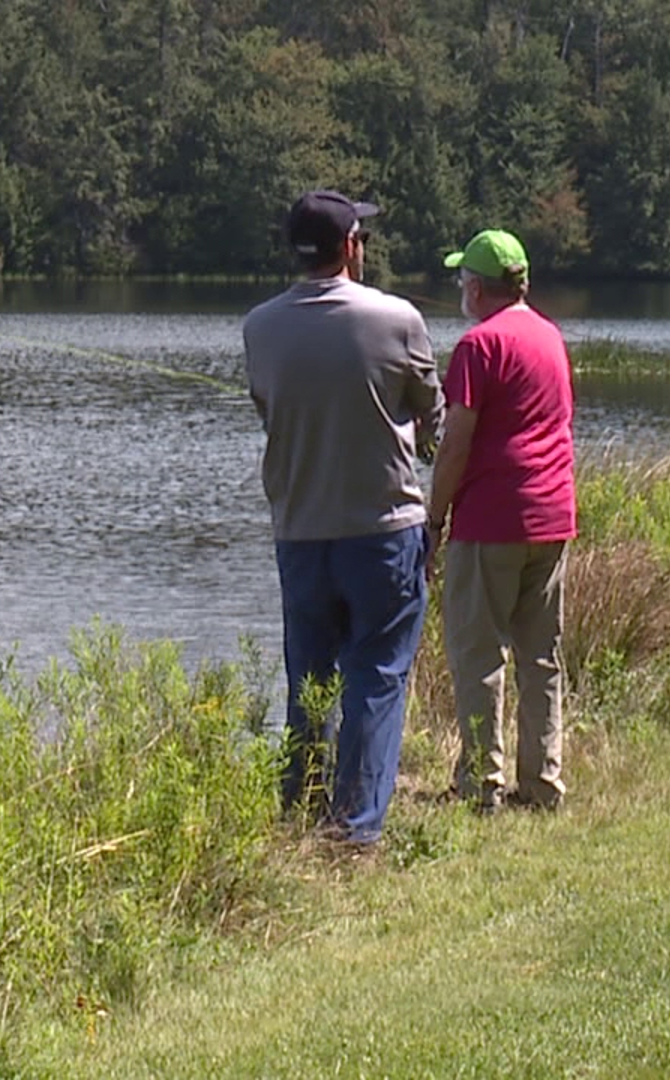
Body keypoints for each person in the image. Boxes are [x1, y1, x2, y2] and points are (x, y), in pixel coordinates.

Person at [241, 190, 443, 847]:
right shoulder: (399, 319)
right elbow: (436, 424)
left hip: (299, 534)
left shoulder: (259, 326)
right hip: (383, 533)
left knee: (310, 681)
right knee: (377, 678)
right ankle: (354, 833)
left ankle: (300, 813)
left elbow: (269, 410)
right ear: (352, 247)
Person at [427, 229, 577, 812]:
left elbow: (456, 442)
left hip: (491, 519)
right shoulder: (550, 335)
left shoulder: (477, 346)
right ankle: (542, 786)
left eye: (464, 279)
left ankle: (480, 785)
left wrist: (435, 518)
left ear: (474, 287)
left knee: (478, 654)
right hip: (552, 514)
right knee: (542, 657)